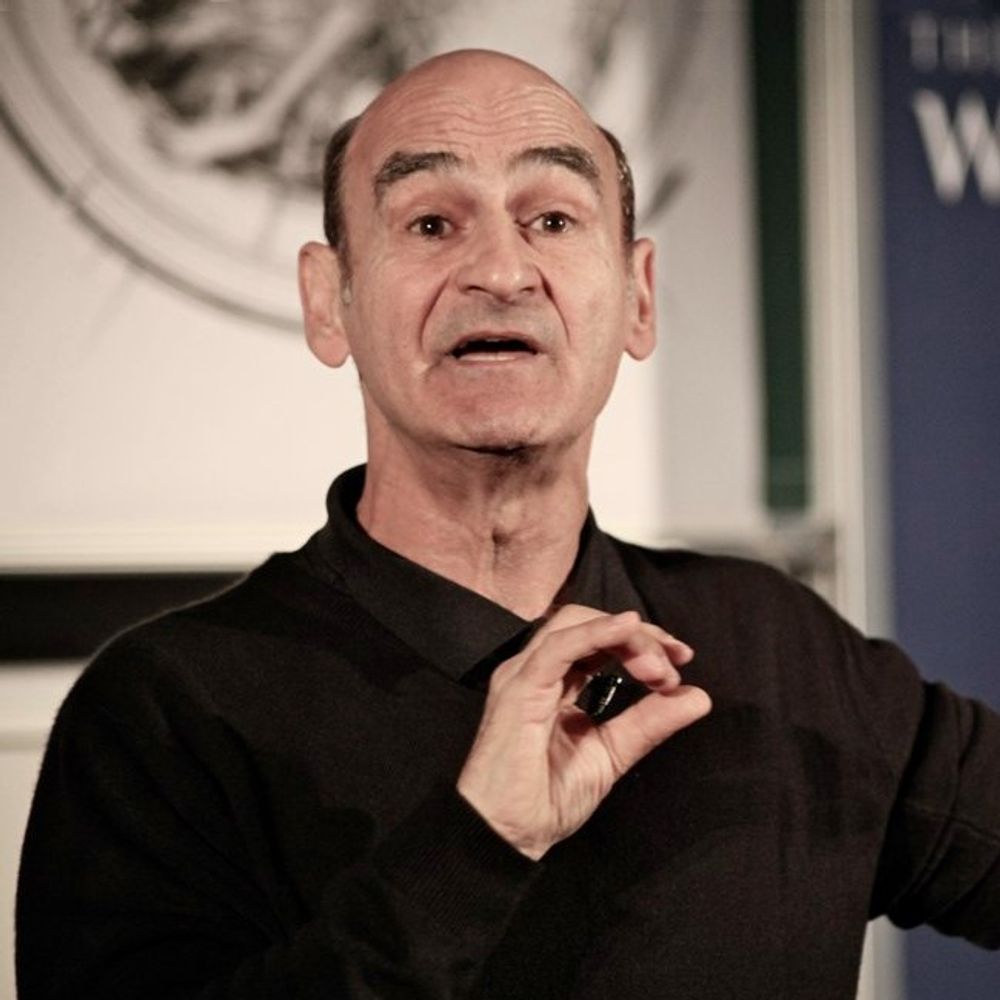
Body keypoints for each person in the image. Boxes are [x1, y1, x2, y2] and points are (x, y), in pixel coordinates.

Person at [16, 49, 999, 999]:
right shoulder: (167, 714)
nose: (500, 269)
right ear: (329, 301)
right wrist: (474, 844)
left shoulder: (782, 651)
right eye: (431, 223)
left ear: (638, 297)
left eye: (553, 219)